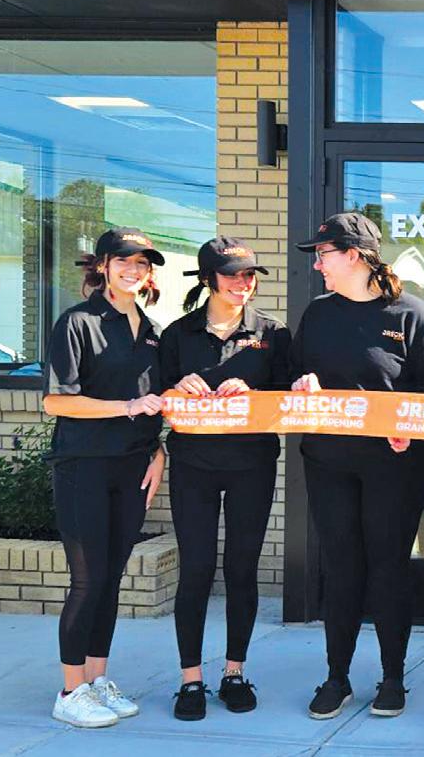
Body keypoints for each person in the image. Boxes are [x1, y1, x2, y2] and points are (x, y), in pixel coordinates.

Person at [292, 213, 424, 720]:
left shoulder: (412, 315)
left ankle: (392, 678)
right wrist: (302, 384)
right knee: (341, 568)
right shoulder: (318, 315)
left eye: (323, 255)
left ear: (355, 256)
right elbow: (293, 377)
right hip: (328, 463)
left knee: (388, 569)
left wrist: (411, 427)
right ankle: (336, 677)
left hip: (395, 467)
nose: (317, 265)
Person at [41, 227, 170, 729]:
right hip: (84, 466)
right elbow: (57, 402)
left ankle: (96, 681)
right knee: (88, 580)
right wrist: (128, 407)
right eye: (123, 261)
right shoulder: (78, 322)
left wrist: (159, 451)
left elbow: (157, 400)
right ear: (102, 265)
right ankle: (70, 689)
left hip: (133, 466)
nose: (133, 270)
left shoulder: (152, 329)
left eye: (142, 263)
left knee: (111, 580)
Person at [159, 237, 291, 721]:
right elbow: (157, 398)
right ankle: (190, 679)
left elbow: (290, 399)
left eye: (250, 274)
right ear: (208, 279)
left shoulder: (273, 334)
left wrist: (255, 393)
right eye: (233, 274)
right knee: (196, 570)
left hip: (252, 465)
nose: (243, 282)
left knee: (241, 569)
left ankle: (235, 672)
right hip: (192, 465)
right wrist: (177, 387)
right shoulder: (177, 334)